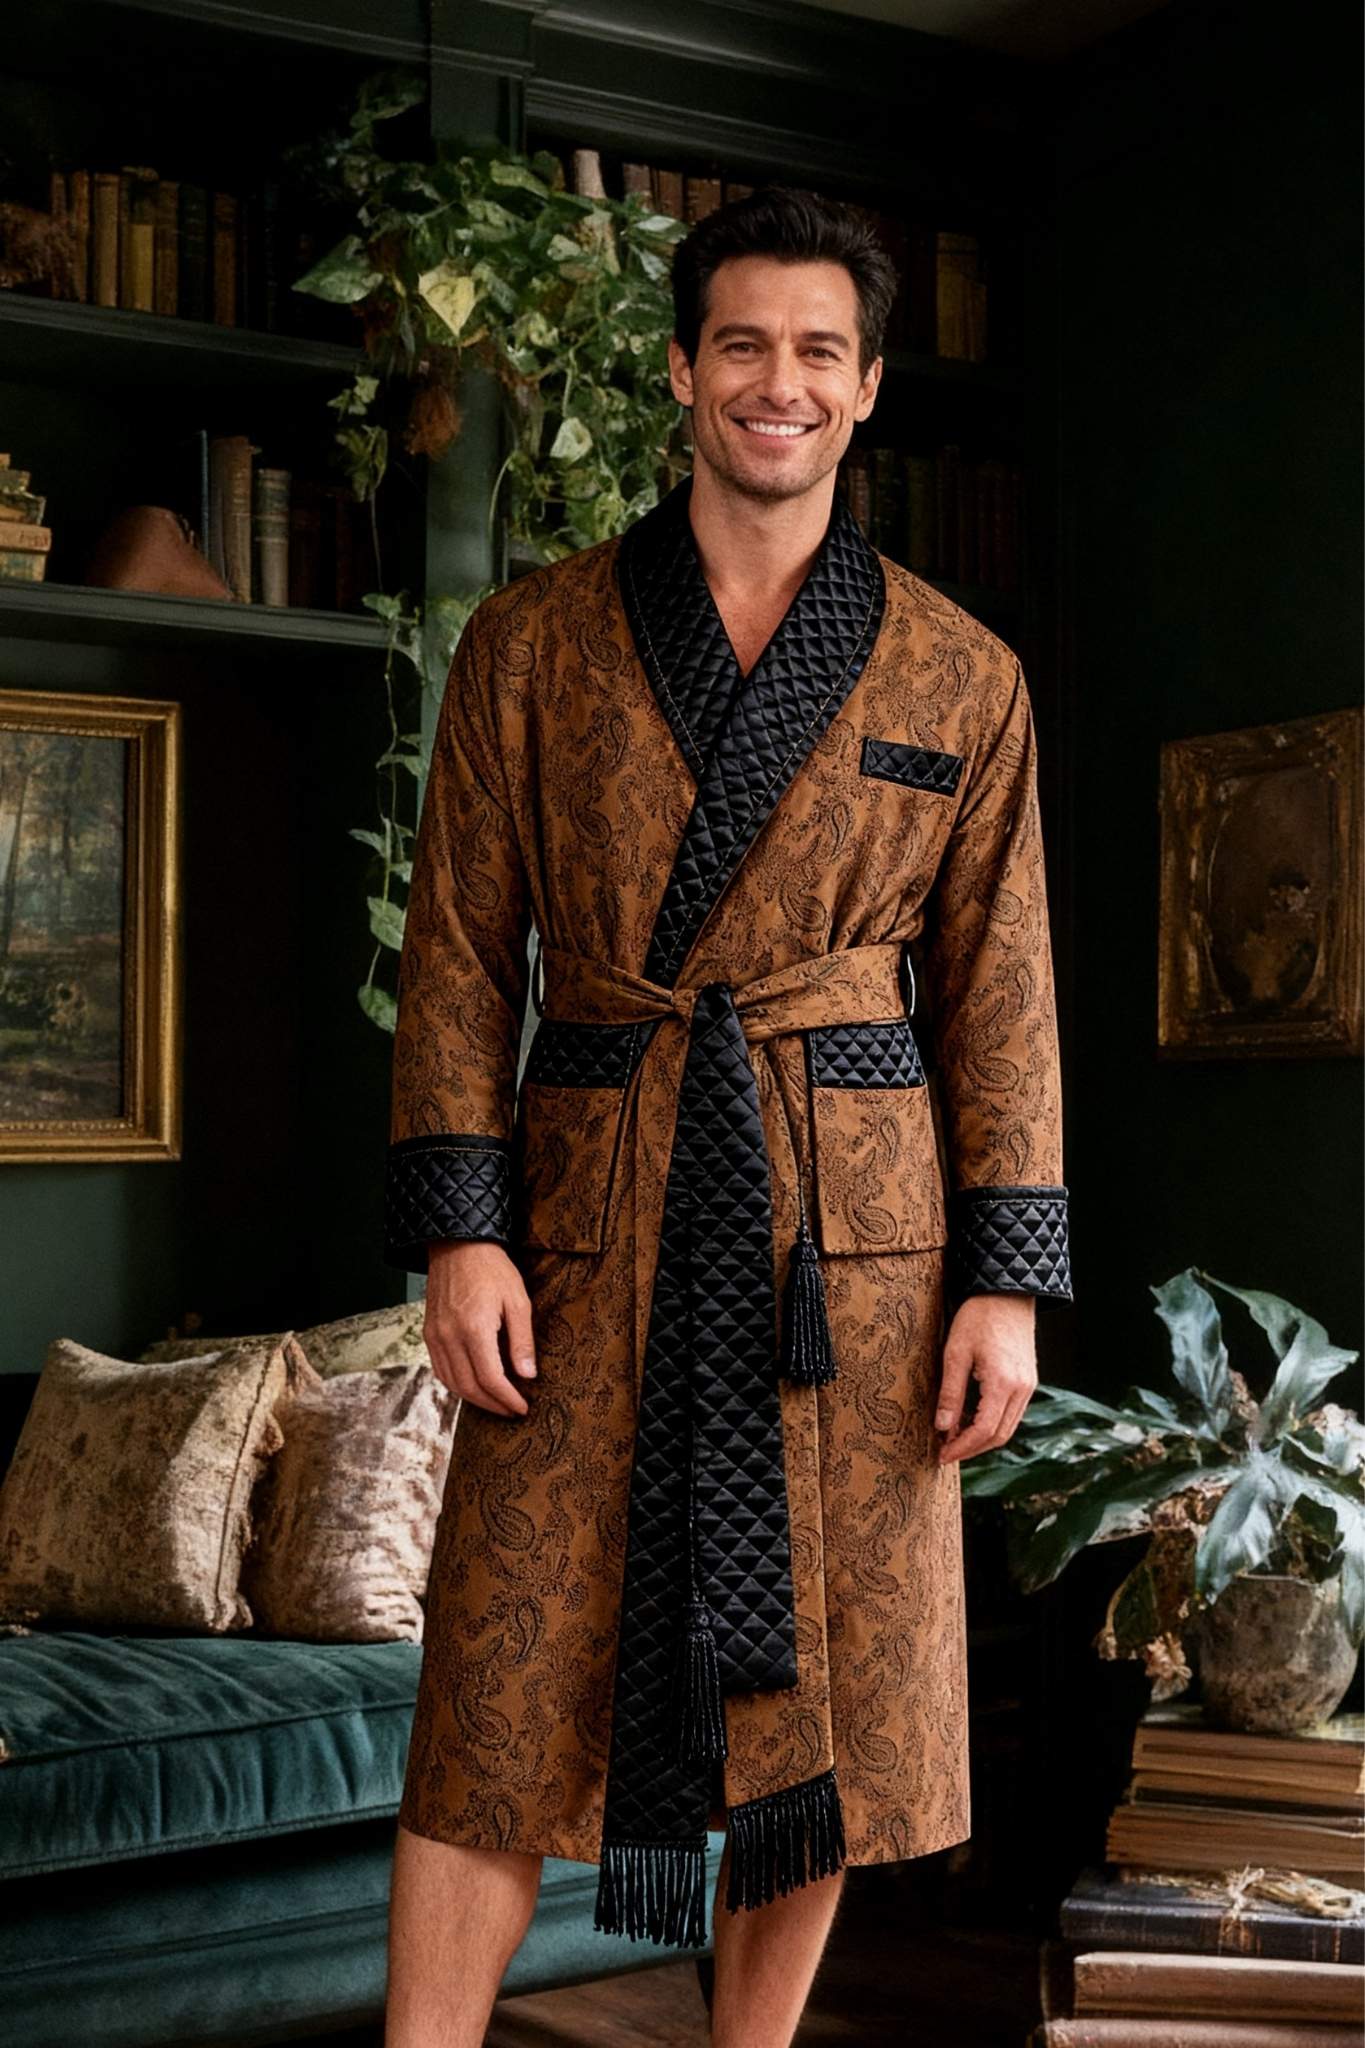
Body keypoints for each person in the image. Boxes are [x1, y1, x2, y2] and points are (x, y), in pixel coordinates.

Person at [381, 184, 1072, 2048]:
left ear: (863, 395)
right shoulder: (529, 646)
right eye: (743, 345)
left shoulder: (958, 672)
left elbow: (996, 994)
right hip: (589, 1209)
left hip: (849, 1244)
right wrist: (463, 1226)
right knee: (498, 1689)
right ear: (686, 371)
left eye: (819, 352)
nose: (780, 383)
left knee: (818, 1691)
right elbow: (458, 952)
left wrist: (1002, 1281)